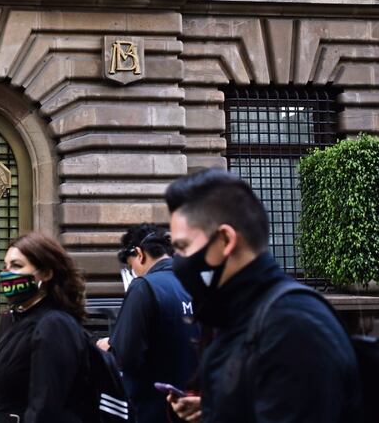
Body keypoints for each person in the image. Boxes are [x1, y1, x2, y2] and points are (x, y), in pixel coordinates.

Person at [164, 168, 362, 423]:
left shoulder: (292, 324)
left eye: (182, 247)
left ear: (225, 240)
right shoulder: (239, 317)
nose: (177, 261)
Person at [0, 232, 95, 422]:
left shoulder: (55, 326)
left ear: (46, 273)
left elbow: (46, 408)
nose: (7, 273)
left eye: (17, 266)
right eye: (6, 266)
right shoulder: (11, 319)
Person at [96, 224, 198, 423]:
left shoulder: (144, 287)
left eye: (130, 264)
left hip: (154, 410)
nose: (133, 271)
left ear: (140, 254)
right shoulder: (197, 284)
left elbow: (126, 356)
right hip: (196, 409)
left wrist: (109, 346)